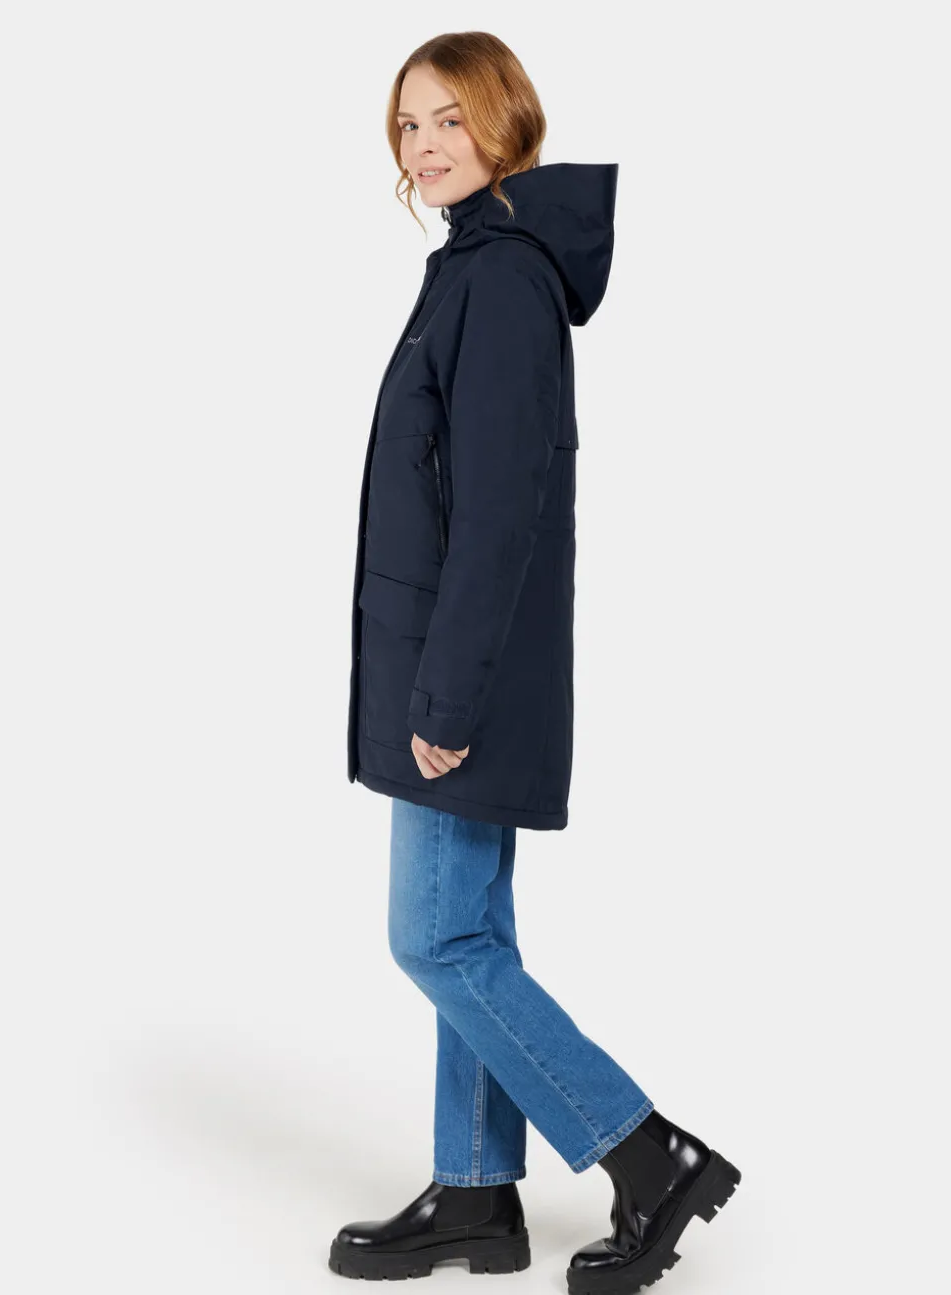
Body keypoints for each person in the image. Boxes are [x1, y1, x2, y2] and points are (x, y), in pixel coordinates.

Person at [335, 31, 742, 1293]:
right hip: (444, 666)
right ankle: (473, 1190)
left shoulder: (500, 281)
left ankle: (646, 1151)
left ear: (505, 119)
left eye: (449, 118)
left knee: (436, 938)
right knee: (469, 931)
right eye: (409, 124)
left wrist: (446, 696)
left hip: (458, 678)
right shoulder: (474, 266)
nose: (424, 145)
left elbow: (500, 512)